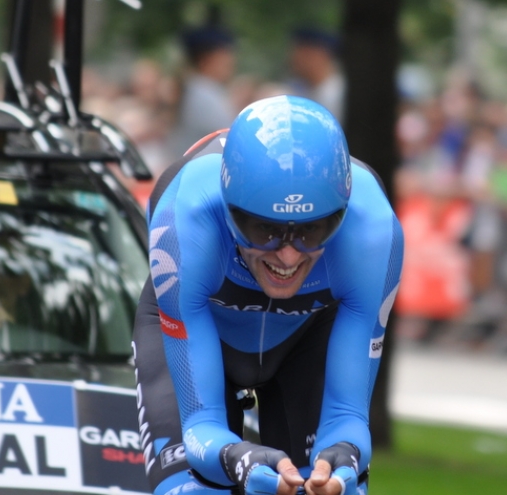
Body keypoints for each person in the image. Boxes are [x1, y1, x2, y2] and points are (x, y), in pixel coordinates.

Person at [133, 95, 404, 495]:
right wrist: (237, 458)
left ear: (342, 212)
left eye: (313, 229)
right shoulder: (184, 222)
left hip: (307, 334)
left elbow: (348, 415)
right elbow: (201, 425)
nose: (289, 254)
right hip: (202, 323)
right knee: (193, 490)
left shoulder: (374, 230)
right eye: (264, 229)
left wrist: (344, 457)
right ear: (227, 211)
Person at [167, 25, 238, 162]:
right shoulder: (204, 94)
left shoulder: (194, 88)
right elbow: (233, 139)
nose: (232, 61)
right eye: (225, 54)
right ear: (206, 59)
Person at [288, 27, 346, 124]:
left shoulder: (338, 94)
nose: (293, 57)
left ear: (320, 55)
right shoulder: (303, 87)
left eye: (301, 51)